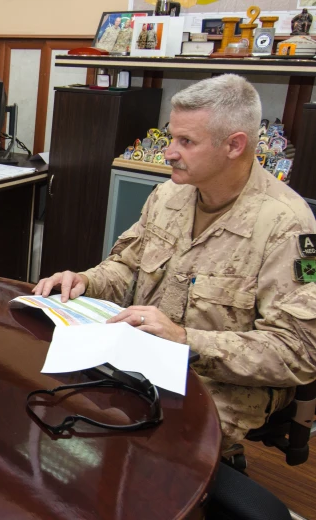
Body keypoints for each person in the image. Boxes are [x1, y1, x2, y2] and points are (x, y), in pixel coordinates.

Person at [33, 74, 316, 449]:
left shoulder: (285, 225)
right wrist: (86, 281)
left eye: (186, 142)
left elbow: (297, 352)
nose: (169, 152)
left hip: (221, 384)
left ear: (234, 145)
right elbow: (128, 267)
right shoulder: (170, 195)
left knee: (149, 447)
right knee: (60, 401)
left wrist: (185, 340)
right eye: (171, 136)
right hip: (142, 358)